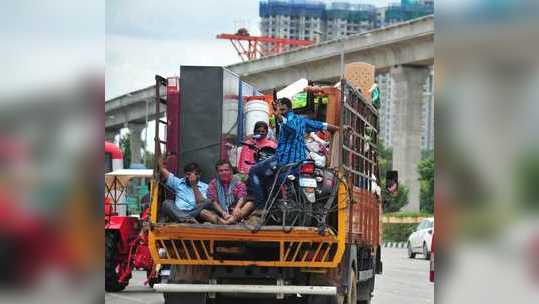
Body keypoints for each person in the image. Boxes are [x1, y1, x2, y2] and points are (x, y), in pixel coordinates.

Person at [248, 97, 339, 209]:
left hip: (283, 161)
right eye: (279, 110)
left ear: (290, 109)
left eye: (283, 110)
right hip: (300, 162)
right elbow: (322, 125)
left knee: (254, 171)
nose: (280, 112)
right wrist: (339, 129)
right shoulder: (303, 121)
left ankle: (260, 209)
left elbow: (291, 128)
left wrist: (280, 117)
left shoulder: (288, 121)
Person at [207, 160, 254, 224]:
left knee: (250, 204)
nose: (224, 172)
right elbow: (213, 201)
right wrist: (223, 213)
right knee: (203, 212)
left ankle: (229, 221)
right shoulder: (213, 183)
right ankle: (227, 222)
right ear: (217, 172)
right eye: (221, 171)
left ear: (231, 171)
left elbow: (242, 197)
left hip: (234, 212)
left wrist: (237, 208)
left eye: (226, 170)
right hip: (219, 213)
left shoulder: (238, 182)